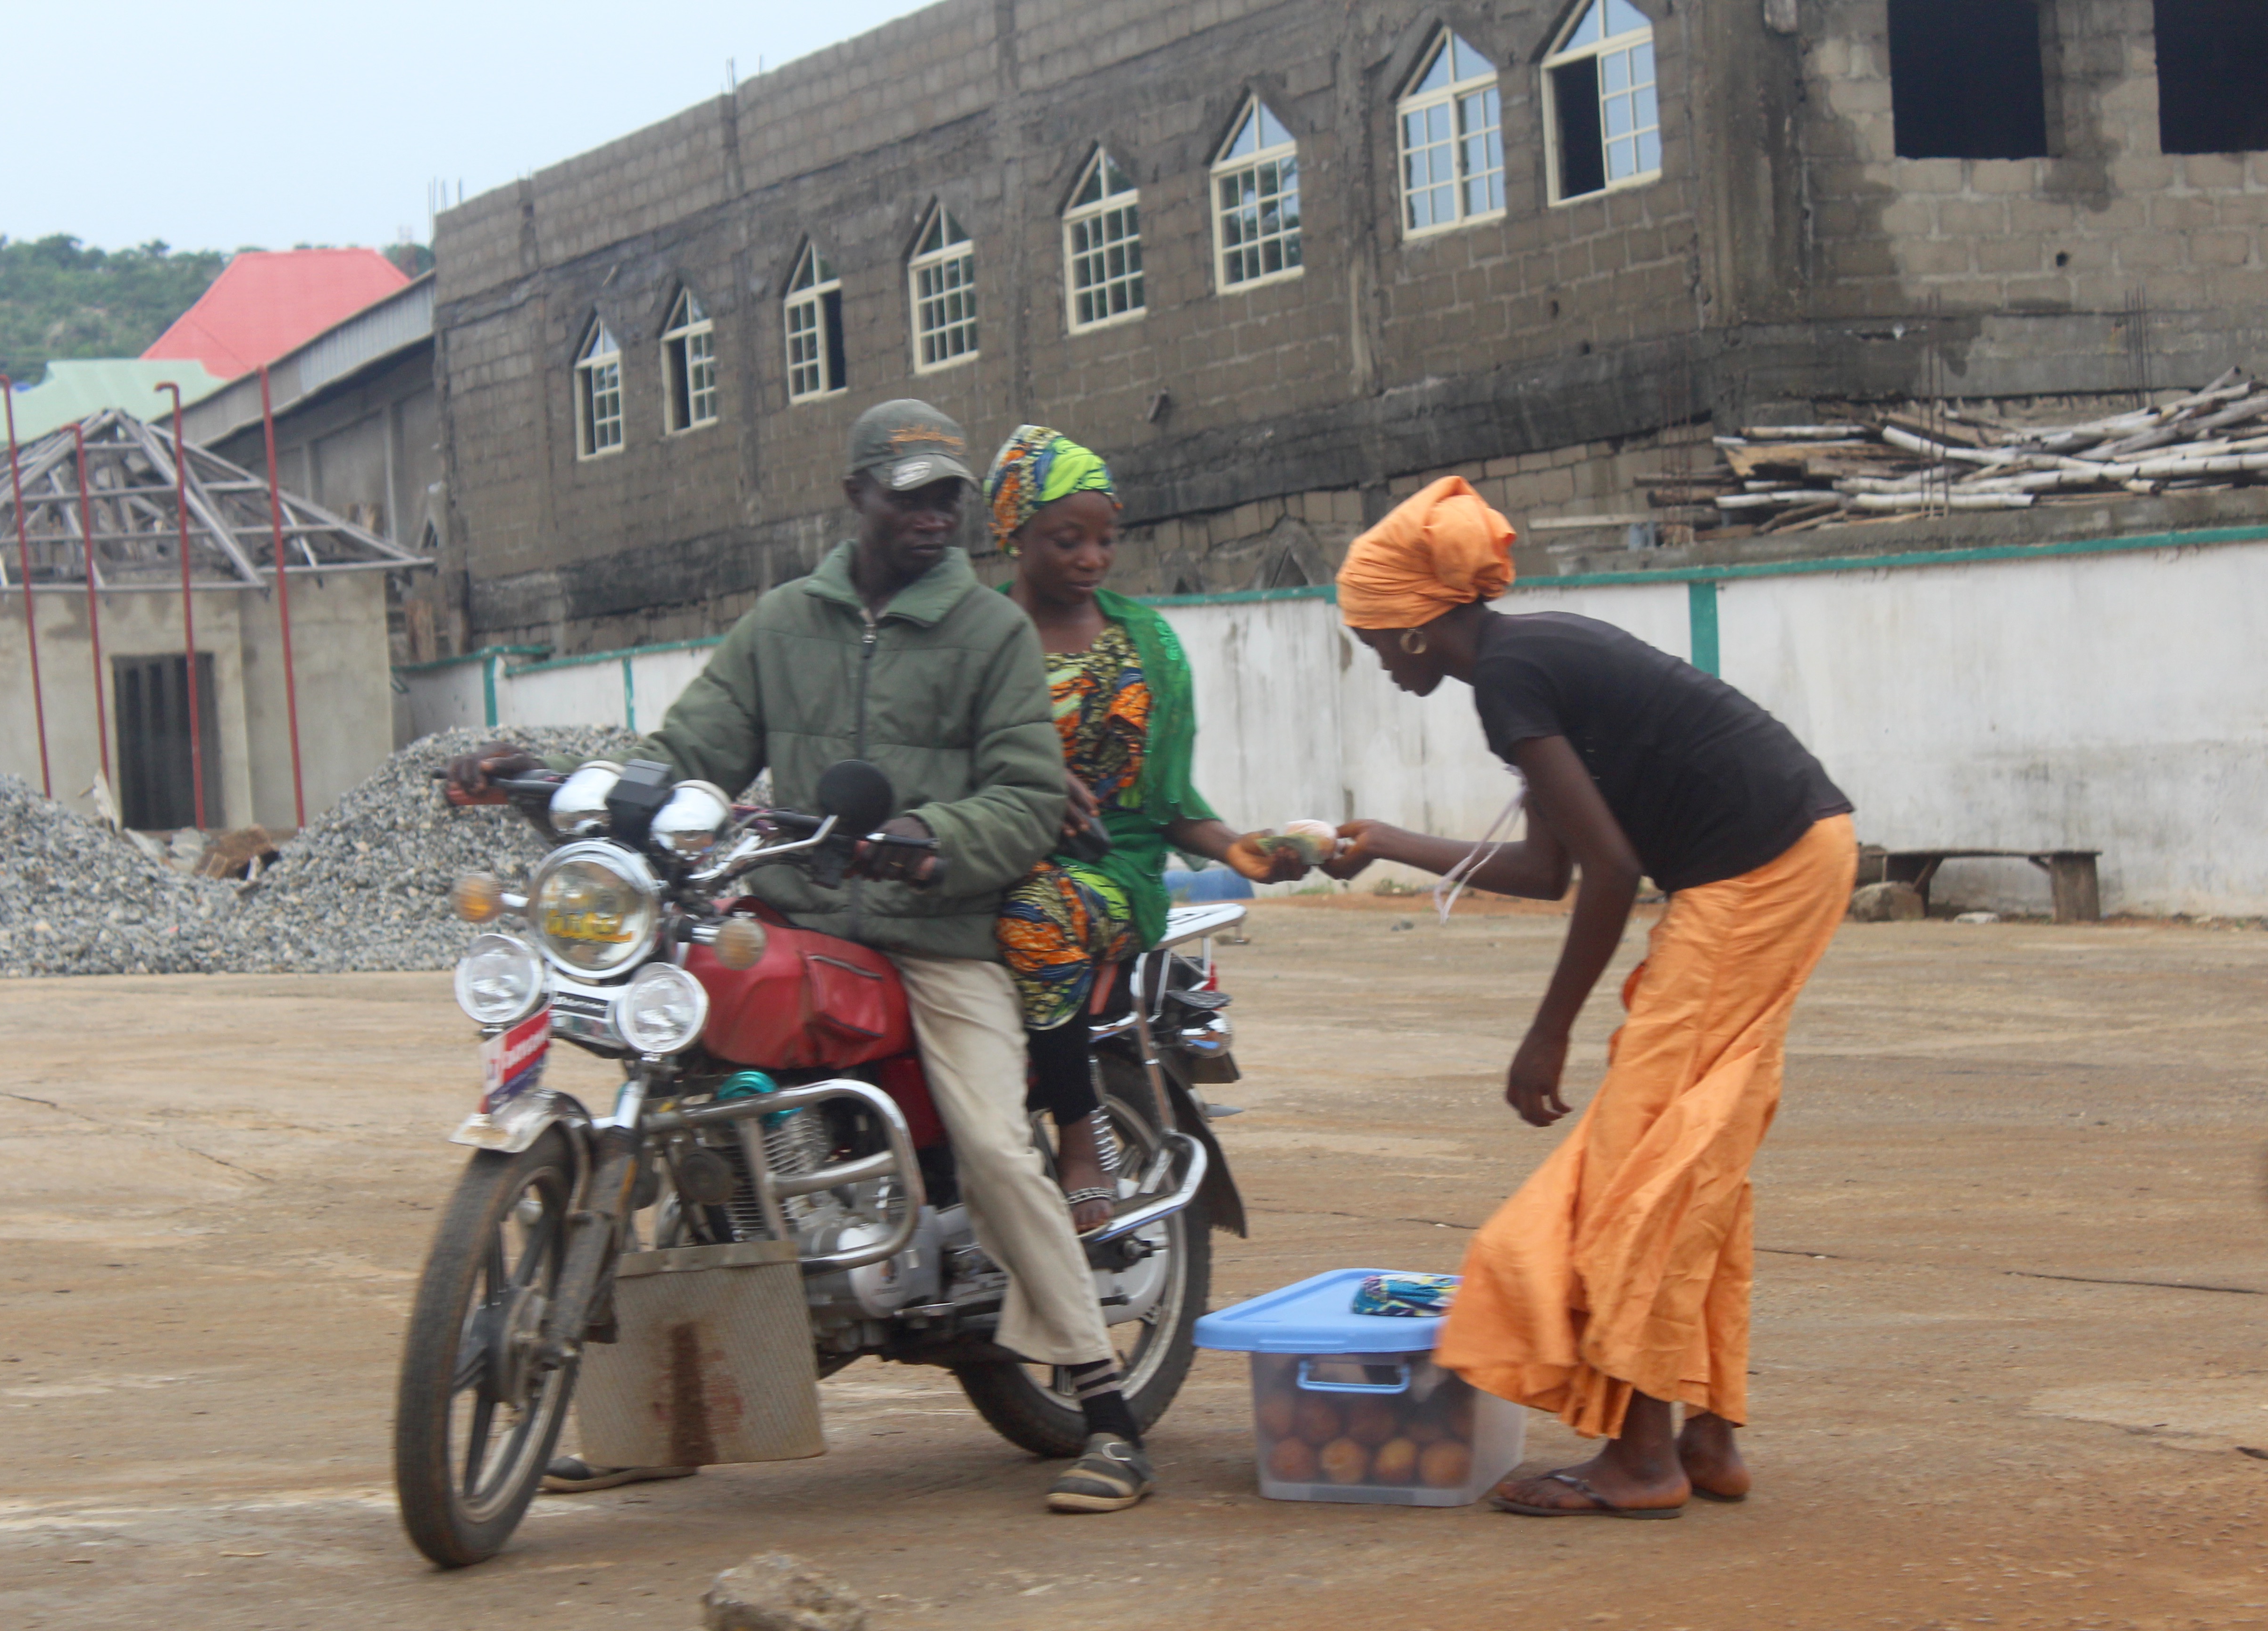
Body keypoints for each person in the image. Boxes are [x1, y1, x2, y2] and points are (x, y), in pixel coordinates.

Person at [449, 400, 1156, 1513]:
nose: (933, 515)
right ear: (856, 495)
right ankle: (668, 1414)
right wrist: (559, 782)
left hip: (941, 930)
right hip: (794, 914)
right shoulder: (784, 623)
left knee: (991, 1139)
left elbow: (1026, 795)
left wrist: (929, 839)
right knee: (686, 1103)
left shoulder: (989, 631)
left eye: (948, 497)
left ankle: (1105, 1407)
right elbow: (689, 753)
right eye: (910, 495)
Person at [1322, 475, 1857, 1520]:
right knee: (1694, 1151)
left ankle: (1643, 1457)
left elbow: (1610, 871)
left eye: (1374, 639)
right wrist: (1383, 841)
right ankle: (1707, 1433)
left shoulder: (1508, 681)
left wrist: (1547, 1034)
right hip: (1794, 852)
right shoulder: (1529, 657)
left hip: (1756, 875)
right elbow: (1546, 868)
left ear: (1417, 625)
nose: (1378, 661)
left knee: (1638, 1159)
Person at [982, 424, 1307, 1232]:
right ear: (1013, 532)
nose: (1093, 559)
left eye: (1105, 540)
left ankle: (1081, 1134)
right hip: (984, 851)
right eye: (1069, 540)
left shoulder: (1143, 645)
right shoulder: (973, 636)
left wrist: (1237, 850)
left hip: (1105, 873)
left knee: (1037, 910)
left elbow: (1167, 802)